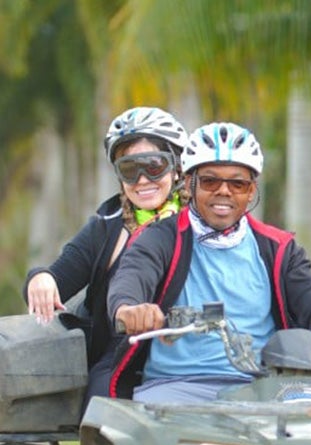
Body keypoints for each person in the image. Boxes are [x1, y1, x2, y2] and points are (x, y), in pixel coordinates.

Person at [107, 121, 311, 402]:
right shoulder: (160, 238)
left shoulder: (277, 248)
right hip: (177, 388)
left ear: (251, 191)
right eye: (210, 181)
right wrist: (131, 308)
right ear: (188, 184)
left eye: (238, 184)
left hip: (265, 391)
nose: (224, 191)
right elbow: (133, 275)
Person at [23, 106, 189, 401]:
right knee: (100, 413)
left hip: (193, 354)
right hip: (120, 358)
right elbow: (58, 277)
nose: (141, 180)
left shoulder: (200, 222)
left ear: (177, 167)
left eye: (153, 166)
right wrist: (40, 279)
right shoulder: (106, 225)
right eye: (128, 169)